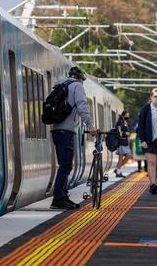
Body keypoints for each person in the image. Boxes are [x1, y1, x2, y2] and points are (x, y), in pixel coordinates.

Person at [50, 66, 98, 210]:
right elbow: (82, 107)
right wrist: (90, 126)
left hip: (57, 130)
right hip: (66, 131)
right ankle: (58, 198)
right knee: (66, 166)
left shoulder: (60, 85)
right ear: (80, 79)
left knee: (64, 165)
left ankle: (63, 196)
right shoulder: (77, 86)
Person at [114, 111, 132, 178]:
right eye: (126, 115)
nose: (127, 117)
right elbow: (118, 132)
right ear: (122, 116)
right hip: (121, 142)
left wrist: (128, 133)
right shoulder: (120, 122)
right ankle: (118, 172)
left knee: (128, 157)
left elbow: (128, 130)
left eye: (128, 115)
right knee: (121, 158)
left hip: (126, 142)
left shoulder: (126, 122)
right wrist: (125, 133)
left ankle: (117, 169)